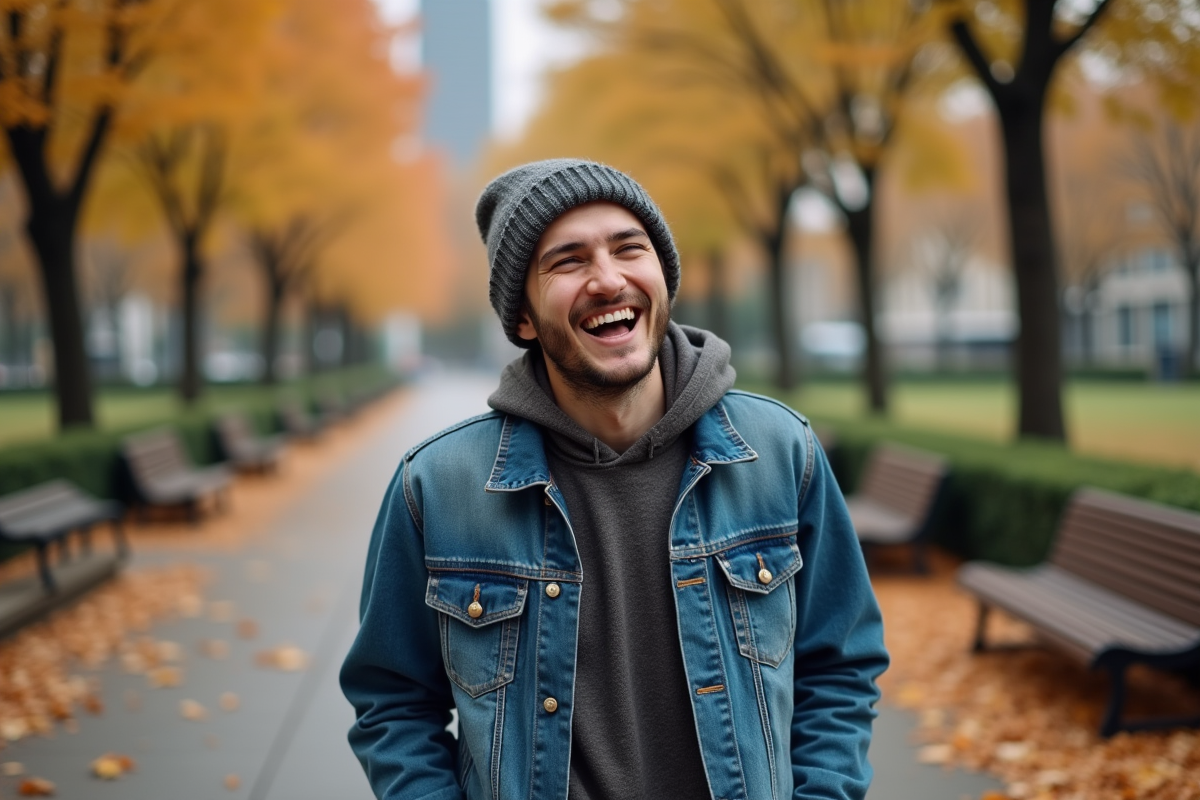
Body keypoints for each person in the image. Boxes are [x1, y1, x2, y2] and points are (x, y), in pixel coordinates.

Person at [340, 159, 888, 800]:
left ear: (663, 277)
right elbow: (393, 701)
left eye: (630, 248)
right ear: (522, 317)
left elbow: (841, 666)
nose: (608, 279)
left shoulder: (779, 452)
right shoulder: (437, 485)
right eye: (568, 262)